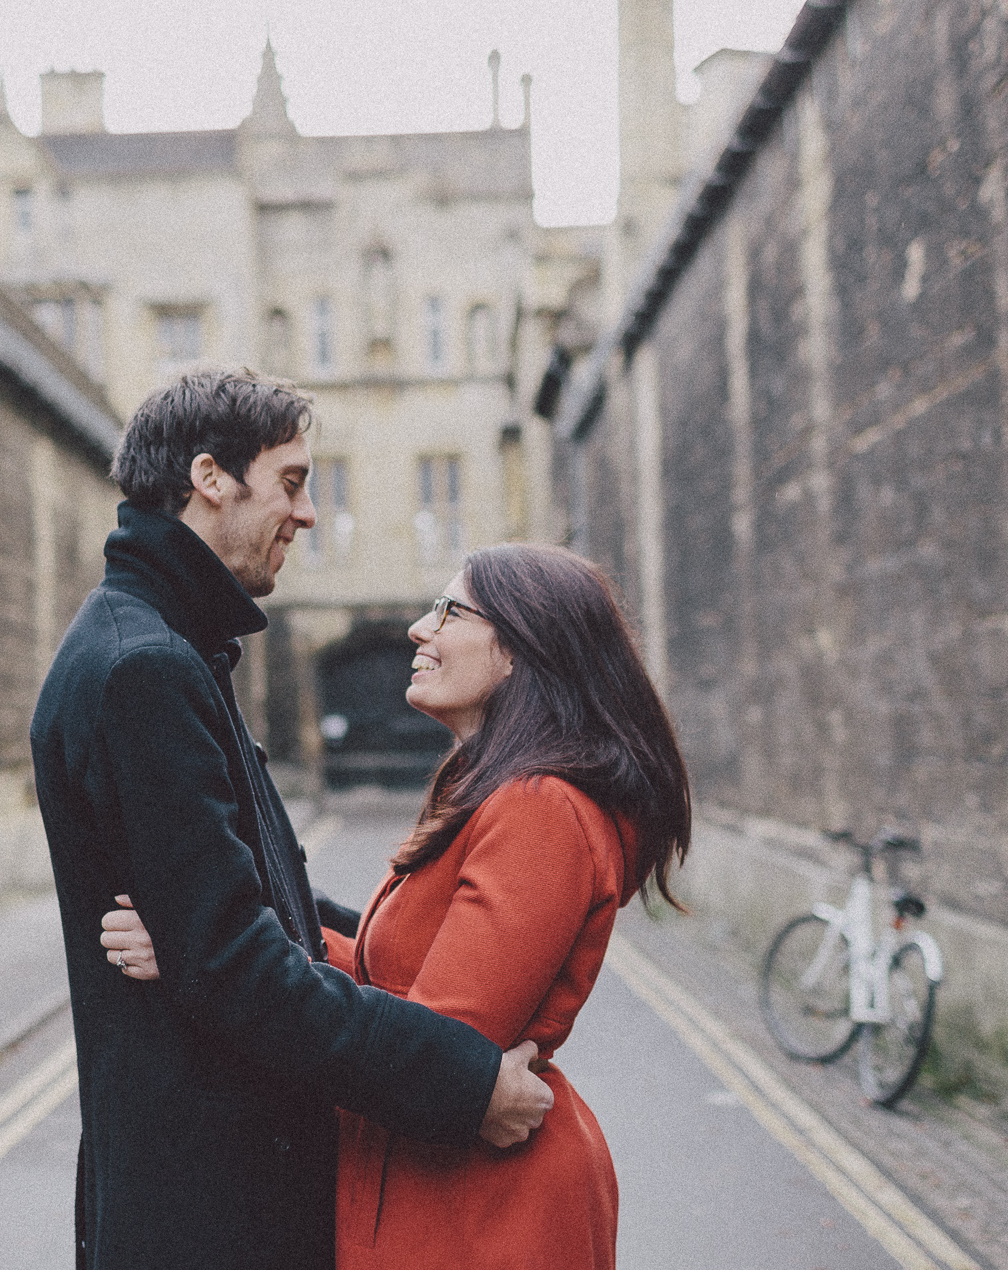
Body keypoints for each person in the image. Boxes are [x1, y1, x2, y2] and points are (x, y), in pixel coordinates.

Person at [30, 366, 553, 1270]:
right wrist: (466, 1085)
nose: (308, 514)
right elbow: (239, 967)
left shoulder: (169, 644)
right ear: (209, 478)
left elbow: (246, 920)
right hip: (209, 1214)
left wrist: (214, 938)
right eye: (292, 482)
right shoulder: (146, 667)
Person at [103, 542, 692, 1269]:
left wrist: (215, 954)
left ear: (520, 648)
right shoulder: (492, 790)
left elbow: (441, 1046)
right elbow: (396, 980)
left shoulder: (541, 809)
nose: (419, 627)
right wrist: (214, 937)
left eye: (450, 611)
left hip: (487, 1215)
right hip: (434, 1186)